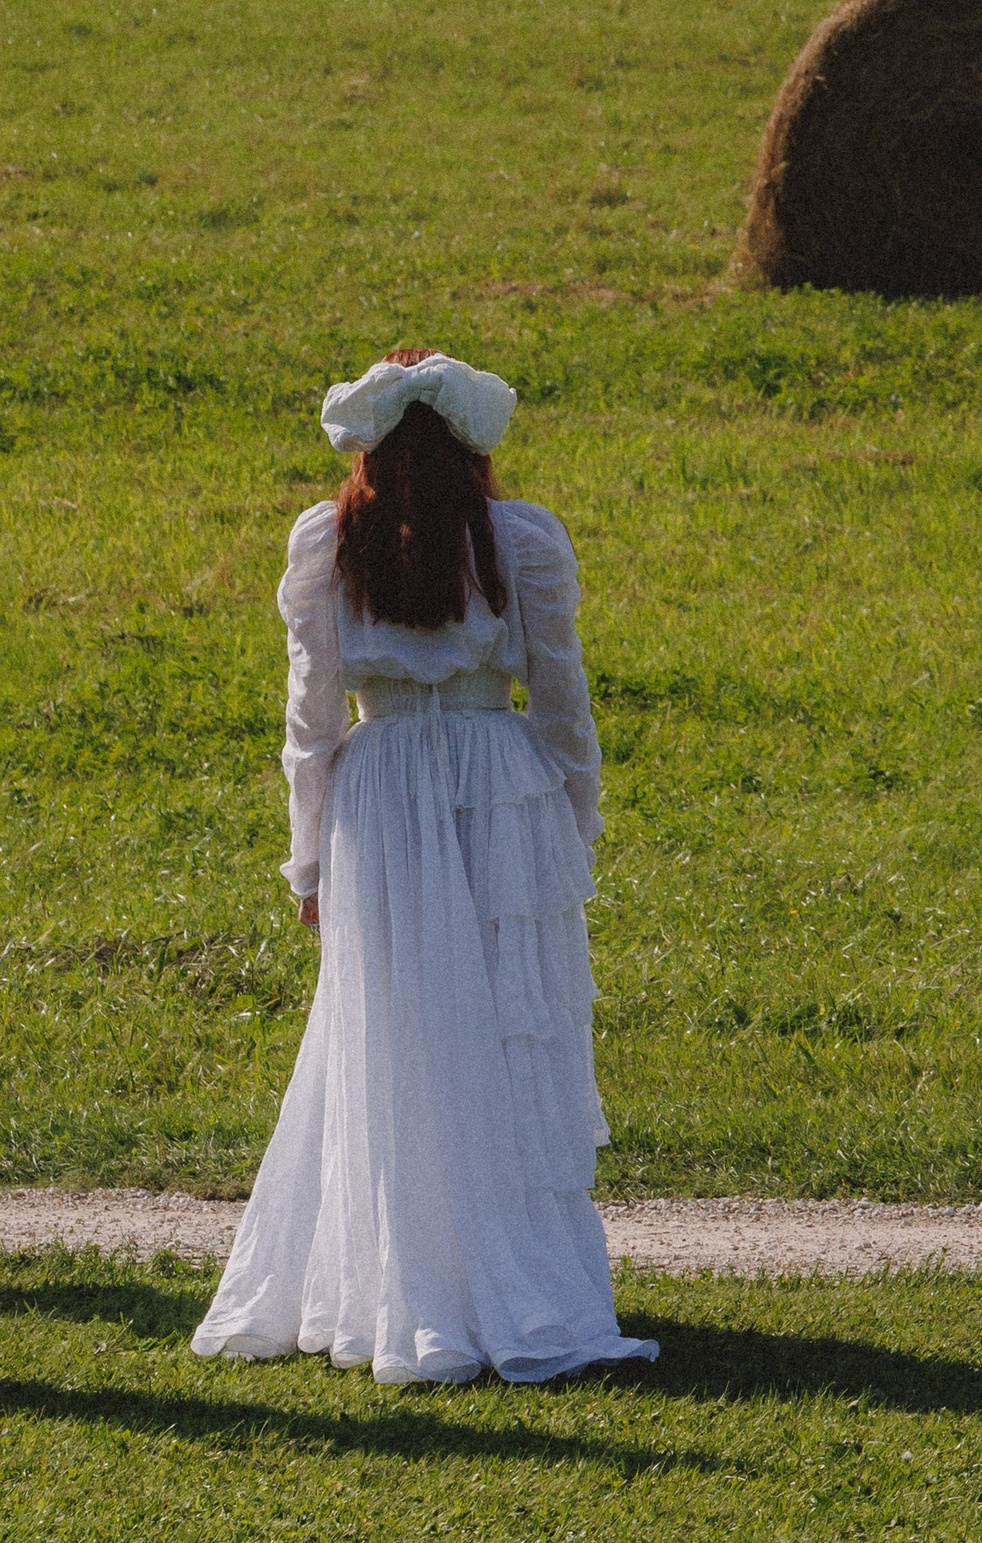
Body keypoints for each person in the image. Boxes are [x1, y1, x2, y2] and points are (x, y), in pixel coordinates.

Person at [194, 351, 655, 1386]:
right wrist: (571, 824)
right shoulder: (521, 537)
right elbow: (563, 699)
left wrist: (309, 858)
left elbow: (308, 724)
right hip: (502, 786)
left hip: (381, 792)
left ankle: (406, 1271)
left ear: (364, 443)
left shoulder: (329, 540)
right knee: (499, 1026)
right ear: (471, 439)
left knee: (394, 1031)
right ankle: (508, 1270)